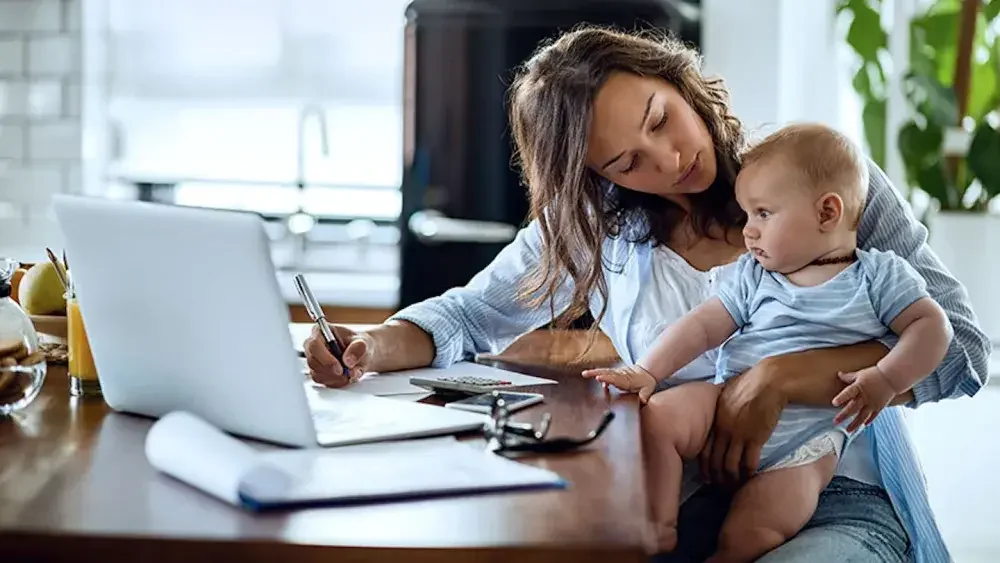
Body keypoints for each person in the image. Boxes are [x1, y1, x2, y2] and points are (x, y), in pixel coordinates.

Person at [304, 25, 989, 562]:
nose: (668, 160)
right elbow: (465, 316)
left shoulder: (820, 179)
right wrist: (366, 345)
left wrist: (777, 379)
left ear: (678, 80)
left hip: (836, 493)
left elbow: (963, 354)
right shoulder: (599, 226)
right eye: (627, 161)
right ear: (600, 177)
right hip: (679, 501)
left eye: (660, 119)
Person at [581, 123, 953, 562]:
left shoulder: (878, 277)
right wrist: (648, 371)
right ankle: (659, 528)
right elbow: (702, 327)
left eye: (763, 214)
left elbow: (935, 328)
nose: (748, 232)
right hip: (727, 400)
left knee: (750, 533)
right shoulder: (756, 276)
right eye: (747, 215)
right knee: (659, 419)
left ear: (827, 214)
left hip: (810, 444)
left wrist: (887, 379)